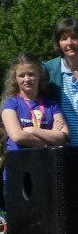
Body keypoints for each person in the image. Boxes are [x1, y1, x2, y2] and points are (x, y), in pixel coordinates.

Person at [0, 51, 67, 203]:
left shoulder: (51, 105)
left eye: (31, 74)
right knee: (20, 217)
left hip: (45, 172)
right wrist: (49, 142)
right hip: (18, 173)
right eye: (21, 75)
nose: (27, 79)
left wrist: (33, 130)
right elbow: (17, 136)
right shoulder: (11, 104)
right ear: (15, 78)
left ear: (39, 75)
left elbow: (62, 137)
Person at [42, 17, 78, 147]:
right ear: (58, 44)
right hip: (63, 150)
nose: (69, 43)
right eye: (64, 39)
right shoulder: (48, 70)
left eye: (74, 37)